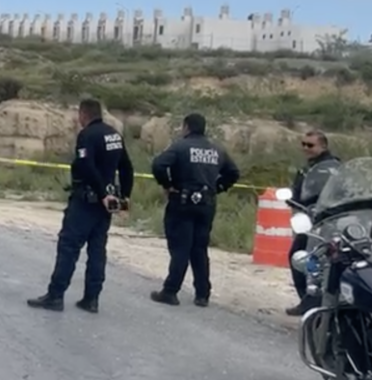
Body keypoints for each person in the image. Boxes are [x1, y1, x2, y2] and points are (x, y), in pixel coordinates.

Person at [28, 98, 134, 313]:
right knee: (97, 250)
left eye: (79, 115)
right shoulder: (114, 135)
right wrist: (125, 197)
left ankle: (55, 296)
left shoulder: (87, 135)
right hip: (106, 205)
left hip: (87, 201)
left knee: (68, 247)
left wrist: (102, 193)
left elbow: (86, 165)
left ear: (83, 114)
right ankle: (91, 299)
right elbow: (127, 168)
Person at [149, 113, 241, 308]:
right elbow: (233, 173)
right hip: (207, 204)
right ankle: (202, 294)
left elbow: (158, 164)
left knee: (180, 247)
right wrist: (218, 187)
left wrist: (167, 184)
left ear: (186, 127)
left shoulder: (180, 146)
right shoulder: (217, 149)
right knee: (199, 249)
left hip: (182, 202)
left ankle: (170, 291)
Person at [285, 131, 340, 316]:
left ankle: (310, 301)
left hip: (327, 222)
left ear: (323, 146)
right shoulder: (310, 168)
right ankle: (310, 300)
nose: (305, 148)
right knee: (308, 258)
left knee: (301, 257)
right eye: (303, 144)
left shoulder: (333, 168)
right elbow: (299, 194)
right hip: (311, 220)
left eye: (310, 145)